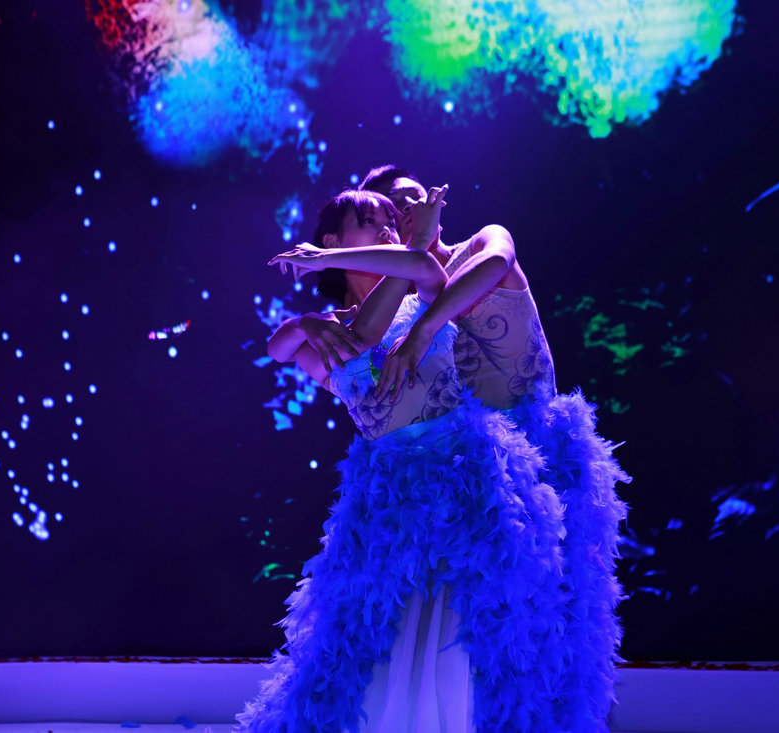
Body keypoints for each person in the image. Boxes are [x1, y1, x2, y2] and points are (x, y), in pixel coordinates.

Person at [236, 189, 571, 733]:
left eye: (392, 222)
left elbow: (419, 265)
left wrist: (335, 259)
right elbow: (282, 348)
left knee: (465, 645)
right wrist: (305, 322)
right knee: (381, 650)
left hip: (466, 486)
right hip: (392, 507)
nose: (387, 230)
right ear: (334, 237)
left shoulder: (424, 298)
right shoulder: (328, 335)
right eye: (371, 221)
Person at [360, 166, 631, 733]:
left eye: (413, 199)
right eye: (391, 211)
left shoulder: (483, 242)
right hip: (480, 481)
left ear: (436, 201)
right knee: (479, 645)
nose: (406, 212)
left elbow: (496, 263)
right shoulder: (402, 304)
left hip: (542, 463)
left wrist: (422, 331)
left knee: (554, 636)